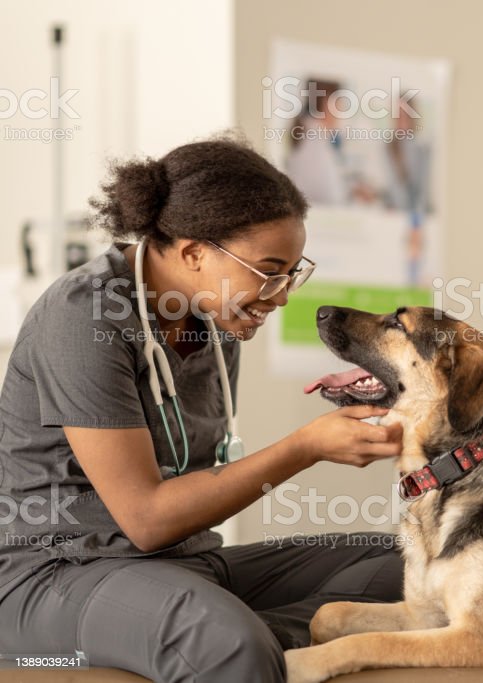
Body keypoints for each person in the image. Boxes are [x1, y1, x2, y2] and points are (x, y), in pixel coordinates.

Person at [0, 136, 405, 682]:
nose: (282, 293)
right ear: (193, 253)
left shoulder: (214, 325)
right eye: (269, 269)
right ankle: (236, 640)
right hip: (56, 574)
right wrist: (306, 447)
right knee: (226, 642)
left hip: (183, 565)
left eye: (292, 271)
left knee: (410, 565)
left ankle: (254, 637)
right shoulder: (85, 316)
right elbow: (146, 520)